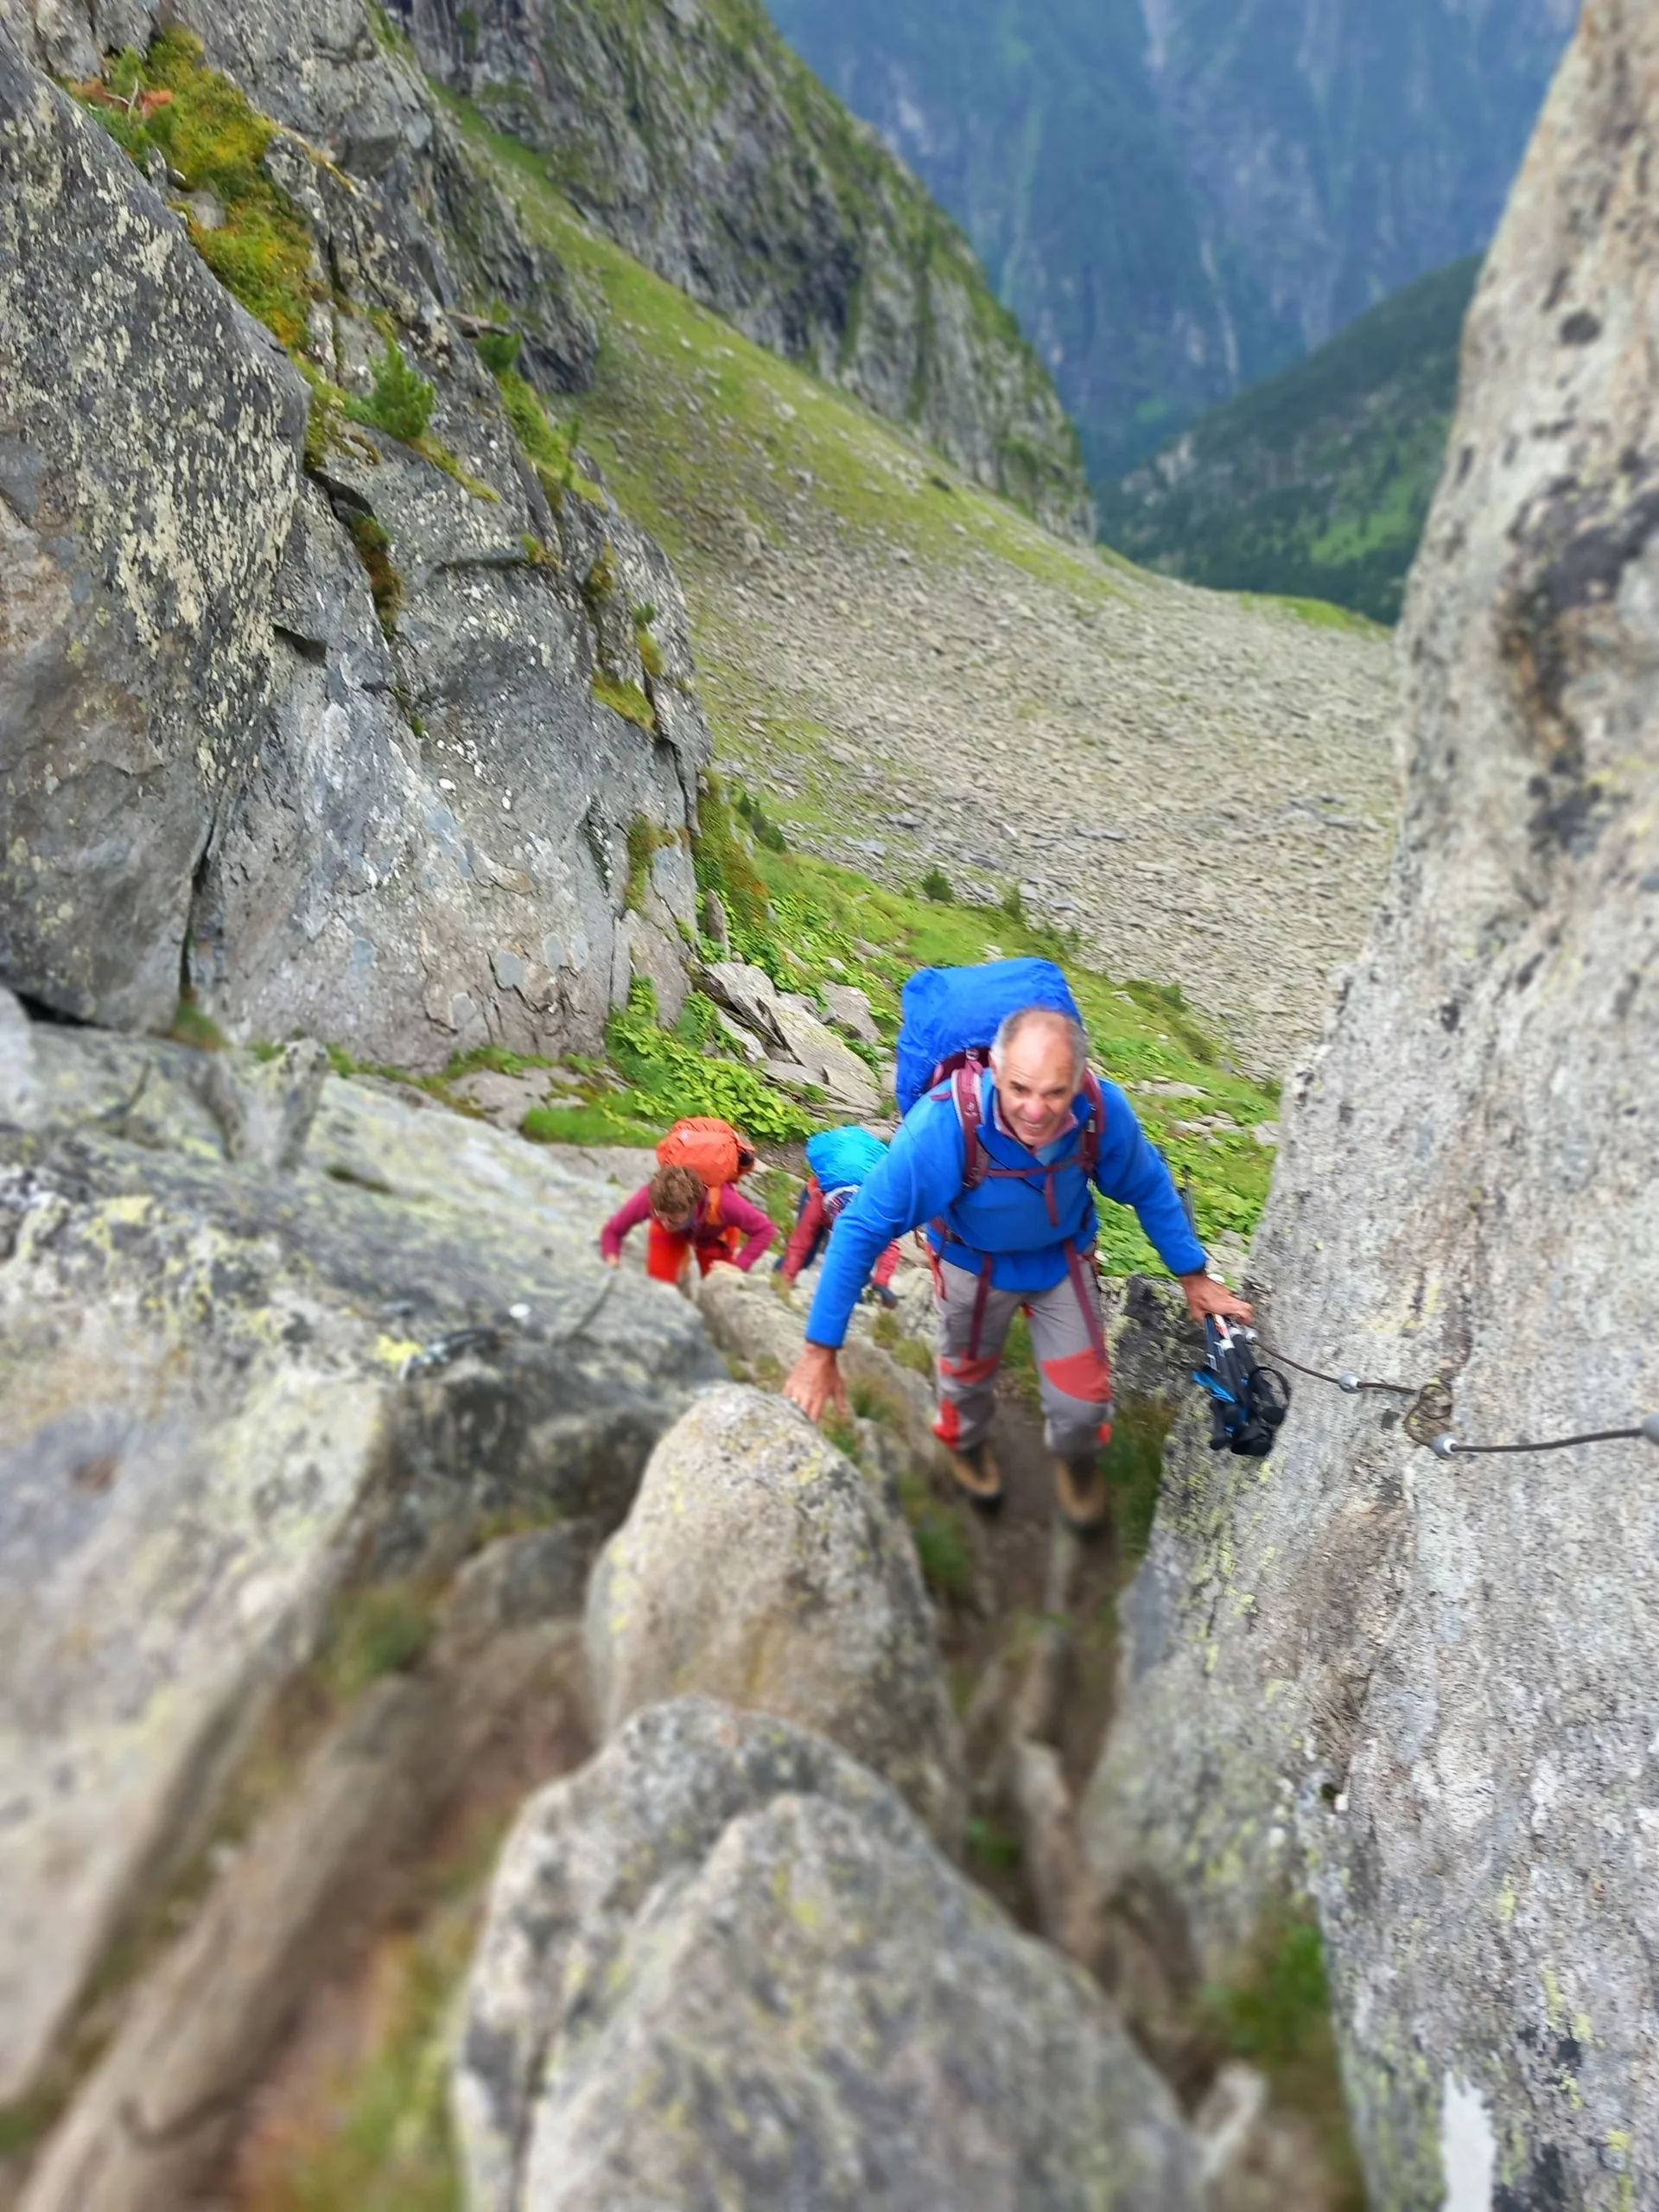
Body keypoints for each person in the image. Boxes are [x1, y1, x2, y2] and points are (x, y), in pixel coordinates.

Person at [783, 1004, 1252, 1531]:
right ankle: (968, 1454)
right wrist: (820, 1348)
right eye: (1020, 1089)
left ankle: (1076, 1469)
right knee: (967, 1375)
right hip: (969, 1265)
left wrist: (1194, 1275)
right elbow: (863, 1226)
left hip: (1061, 1263)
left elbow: (1145, 1185)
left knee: (1082, 1397)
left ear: (1079, 1080)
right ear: (995, 1072)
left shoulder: (1100, 1110)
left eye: (1055, 1093)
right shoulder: (944, 1123)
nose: (1035, 1110)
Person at [601, 1160, 777, 1287]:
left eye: (673, 1219)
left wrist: (739, 1267)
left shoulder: (725, 1203)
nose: (666, 1223)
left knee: (719, 1284)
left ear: (693, 1205)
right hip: (679, 1235)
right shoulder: (652, 1197)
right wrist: (611, 1258)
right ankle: (679, 1278)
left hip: (715, 1234)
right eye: (659, 1215)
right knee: (661, 1285)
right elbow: (613, 1230)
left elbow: (766, 1230)